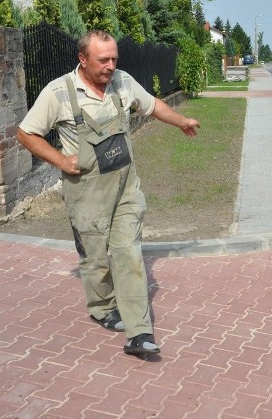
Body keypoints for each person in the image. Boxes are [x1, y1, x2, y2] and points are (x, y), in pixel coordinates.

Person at [17, 29, 200, 356]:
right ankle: (101, 306)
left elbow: (153, 105)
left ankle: (139, 333)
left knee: (129, 255)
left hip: (125, 188)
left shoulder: (123, 82)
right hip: (86, 193)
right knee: (96, 260)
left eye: (114, 58)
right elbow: (27, 133)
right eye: (103, 60)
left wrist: (180, 120)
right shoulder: (58, 93)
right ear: (83, 59)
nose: (110, 65)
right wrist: (60, 159)